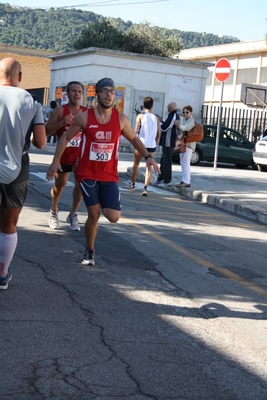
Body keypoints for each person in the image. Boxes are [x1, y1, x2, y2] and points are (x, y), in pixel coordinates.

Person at [46, 78, 160, 266]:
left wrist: (148, 157)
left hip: (108, 174)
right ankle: (89, 251)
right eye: (105, 91)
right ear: (97, 94)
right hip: (87, 172)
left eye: (112, 91)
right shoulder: (85, 118)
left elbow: (134, 139)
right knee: (94, 213)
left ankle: (81, 225)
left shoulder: (121, 119)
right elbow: (65, 137)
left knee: (113, 216)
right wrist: (55, 160)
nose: (109, 94)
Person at [0, 57, 46, 290]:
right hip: (17, 169)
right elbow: (40, 142)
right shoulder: (32, 100)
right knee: (9, 224)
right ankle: (2, 273)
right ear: (20, 77)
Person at [45, 81, 87, 231]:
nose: (77, 94)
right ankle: (53, 211)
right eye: (74, 91)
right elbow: (46, 131)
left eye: (79, 91)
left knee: (80, 185)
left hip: (79, 156)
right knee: (59, 187)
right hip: (63, 155)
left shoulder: (86, 112)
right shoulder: (59, 111)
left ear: (83, 95)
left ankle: (73, 214)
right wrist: (61, 123)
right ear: (68, 94)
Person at [128, 96, 160, 196]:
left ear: (143, 105)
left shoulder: (140, 116)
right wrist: (155, 142)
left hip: (141, 143)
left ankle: (132, 184)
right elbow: (158, 134)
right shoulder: (156, 118)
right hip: (151, 145)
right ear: (152, 106)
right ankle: (145, 188)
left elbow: (136, 131)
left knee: (136, 164)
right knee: (148, 167)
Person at [155, 102, 179, 187]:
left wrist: (159, 122)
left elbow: (165, 127)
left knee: (167, 162)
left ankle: (167, 180)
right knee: (163, 161)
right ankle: (161, 178)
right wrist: (161, 121)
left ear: (171, 108)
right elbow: (167, 124)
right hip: (166, 142)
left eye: (168, 107)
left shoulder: (173, 116)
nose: (167, 109)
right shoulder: (171, 115)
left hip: (169, 142)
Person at [174, 105, 196, 187]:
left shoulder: (191, 120)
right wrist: (178, 126)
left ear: (191, 113)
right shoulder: (184, 120)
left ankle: (186, 181)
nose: (185, 114)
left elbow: (186, 128)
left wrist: (178, 125)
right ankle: (184, 180)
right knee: (183, 162)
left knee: (186, 162)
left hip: (188, 144)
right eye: (184, 112)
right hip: (183, 143)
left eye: (187, 112)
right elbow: (180, 130)